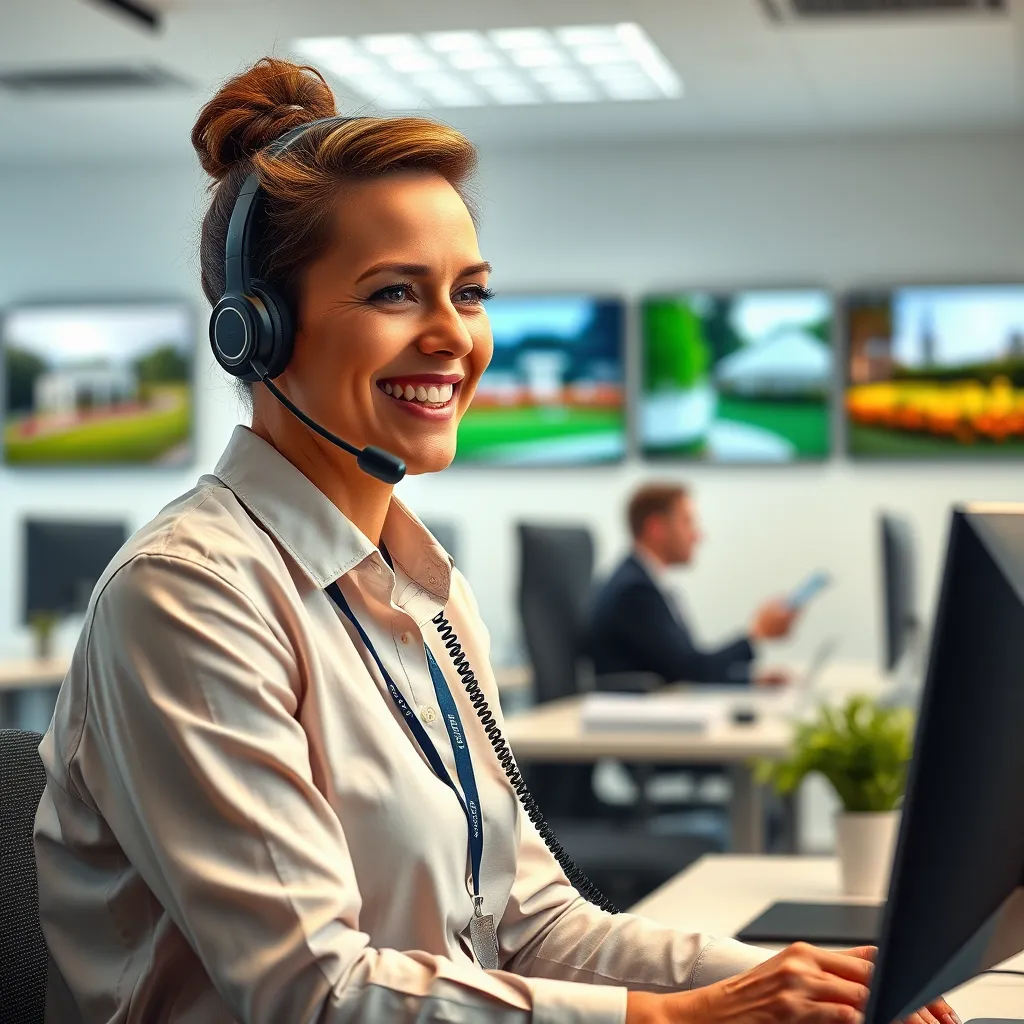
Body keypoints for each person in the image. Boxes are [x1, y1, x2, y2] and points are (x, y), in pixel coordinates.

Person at [32, 58, 957, 1024]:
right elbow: (316, 994)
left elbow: (529, 922)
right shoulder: (187, 596)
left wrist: (798, 983)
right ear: (256, 333)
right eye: (396, 293)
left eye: (469, 294)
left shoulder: (424, 589)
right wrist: (689, 1017)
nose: (454, 337)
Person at [589, 483, 798, 688]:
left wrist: (750, 680)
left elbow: (684, 666)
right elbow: (689, 671)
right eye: (687, 523)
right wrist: (756, 634)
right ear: (656, 528)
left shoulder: (646, 581)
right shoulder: (635, 591)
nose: (698, 536)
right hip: (634, 708)